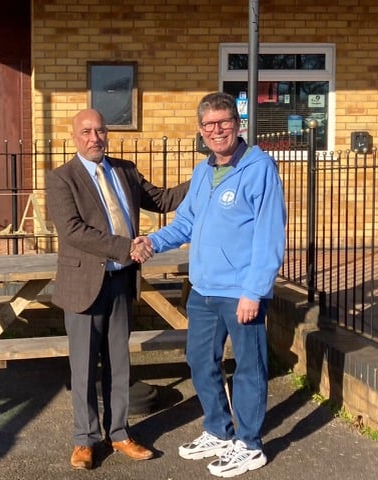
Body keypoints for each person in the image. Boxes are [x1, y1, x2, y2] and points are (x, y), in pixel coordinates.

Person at [136, 92, 286, 477]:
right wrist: (153, 242)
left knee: (250, 367)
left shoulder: (259, 168)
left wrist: (254, 291)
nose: (217, 130)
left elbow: (269, 236)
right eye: (209, 125)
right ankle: (219, 430)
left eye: (224, 122)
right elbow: (186, 222)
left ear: (238, 124)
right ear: (201, 131)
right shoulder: (203, 172)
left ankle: (250, 445)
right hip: (203, 289)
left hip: (240, 292)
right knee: (200, 361)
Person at [45, 108, 189, 470]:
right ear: (74, 137)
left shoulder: (125, 170)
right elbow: (73, 231)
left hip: (121, 280)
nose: (95, 138)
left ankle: (120, 433)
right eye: (87, 132)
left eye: (100, 130)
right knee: (83, 366)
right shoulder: (62, 179)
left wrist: (204, 176)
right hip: (83, 285)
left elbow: (163, 200)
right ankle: (84, 439)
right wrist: (127, 247)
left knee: (119, 363)